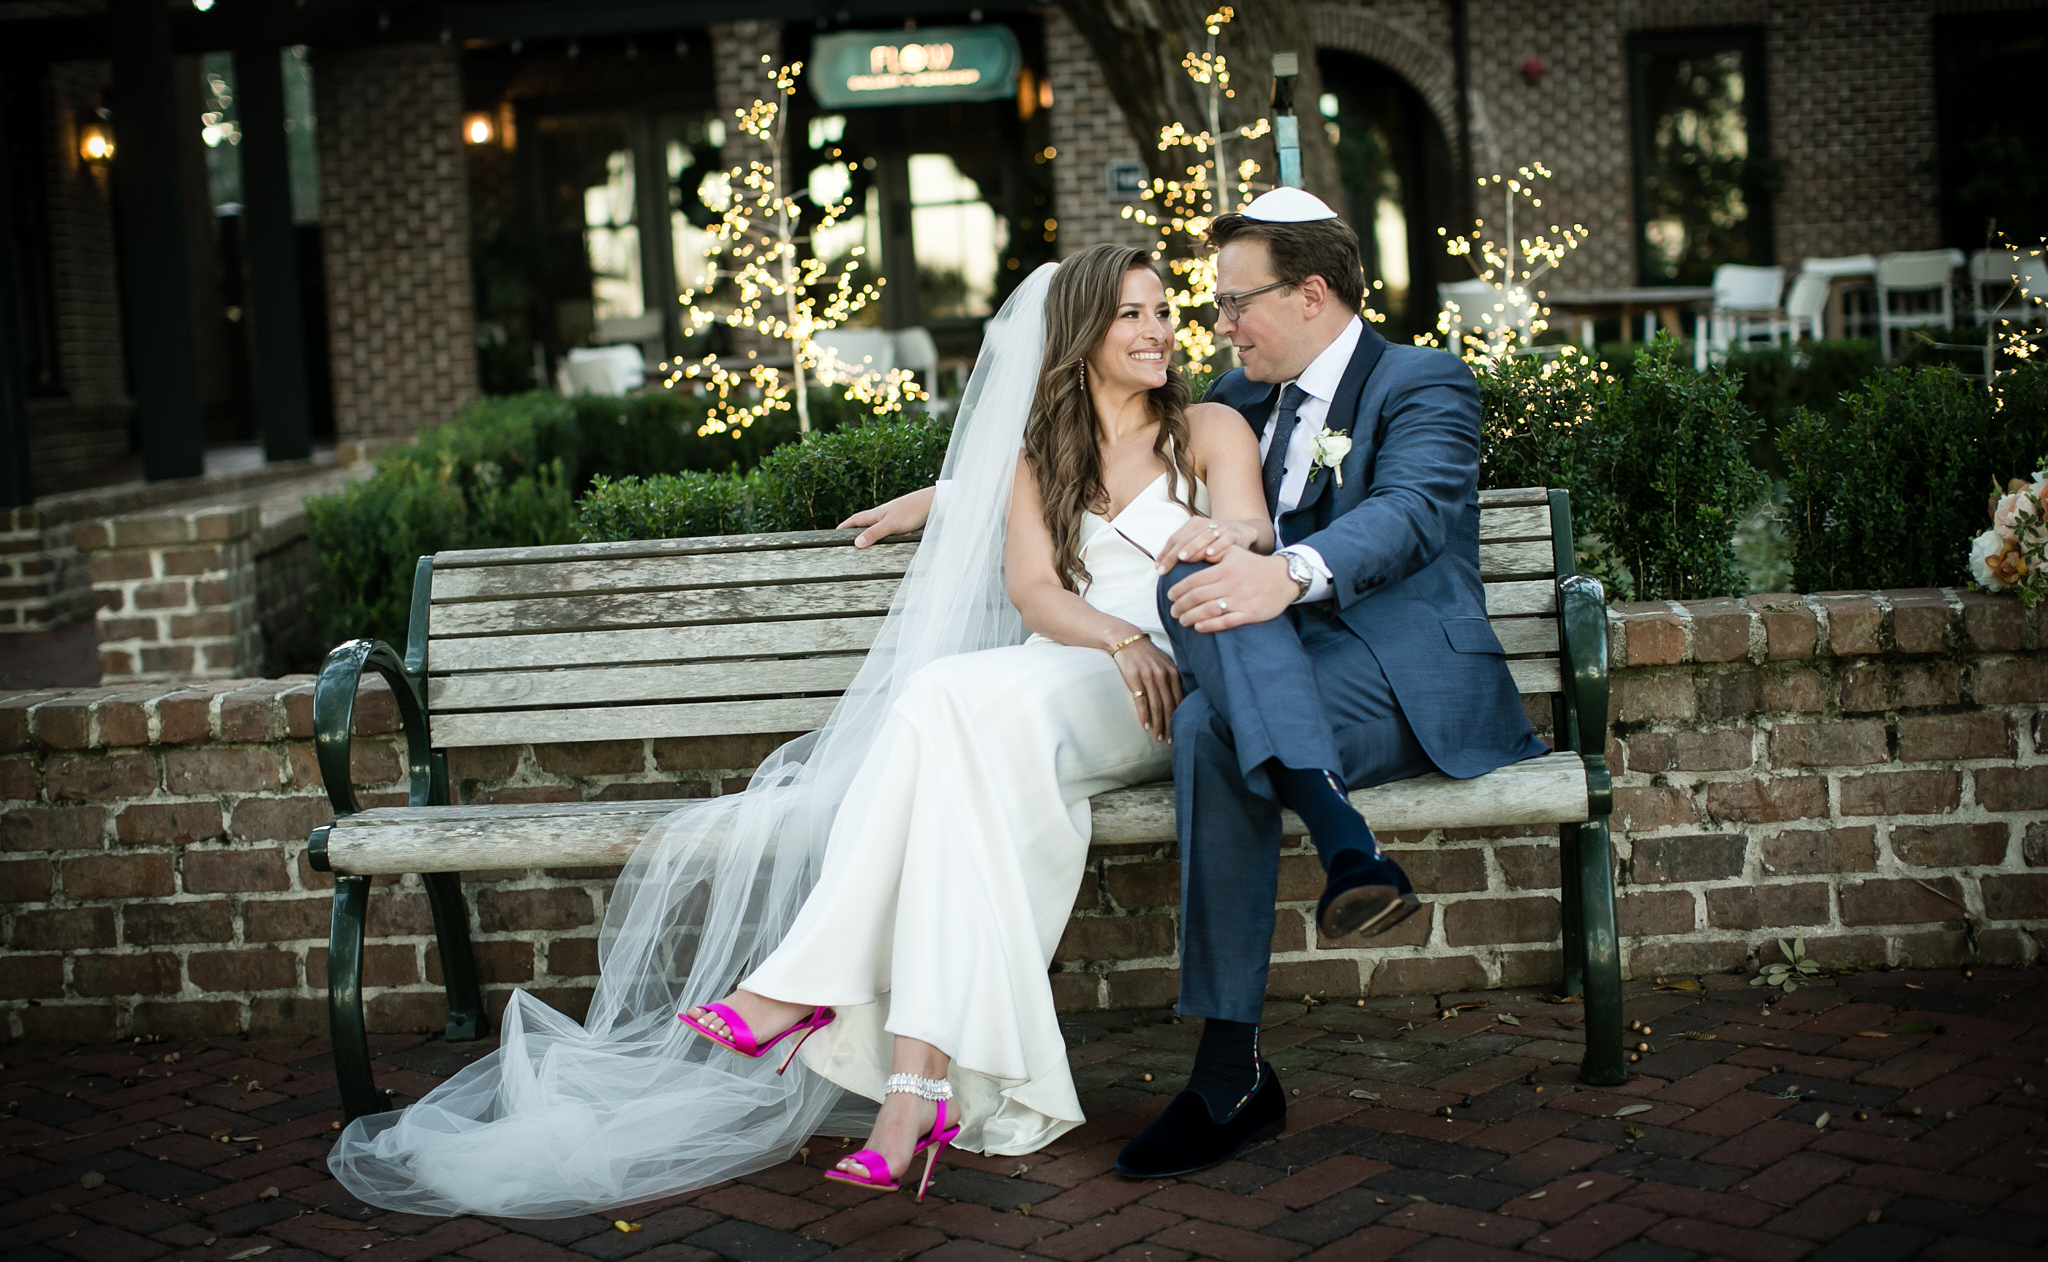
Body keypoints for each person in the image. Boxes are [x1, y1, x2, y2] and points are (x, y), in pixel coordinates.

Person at [325, 245, 1272, 1217]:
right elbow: (1034, 593)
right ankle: (913, 1089)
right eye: (1131, 313)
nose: (1158, 330)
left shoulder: (1207, 428)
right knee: (945, 767)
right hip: (1070, 665)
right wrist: (1112, 634)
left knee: (940, 701)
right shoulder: (1039, 455)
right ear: (1080, 334)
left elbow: (1250, 529)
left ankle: (801, 987)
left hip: (1163, 686)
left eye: (1163, 310)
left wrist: (1199, 573)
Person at [845, 187, 1550, 1180]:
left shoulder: (1419, 381)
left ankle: (1244, 1037)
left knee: (1209, 612)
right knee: (1208, 713)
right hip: (1274, 675)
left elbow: (1411, 511)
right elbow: (1104, 453)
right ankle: (1274, 993)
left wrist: (1286, 572)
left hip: (1402, 683)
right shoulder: (1239, 398)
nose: (1217, 325)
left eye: (1233, 303)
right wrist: (952, 493)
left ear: (1310, 295)